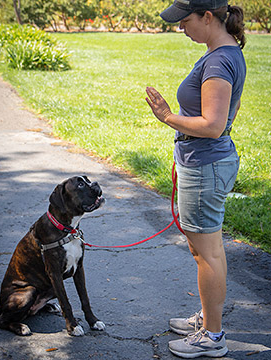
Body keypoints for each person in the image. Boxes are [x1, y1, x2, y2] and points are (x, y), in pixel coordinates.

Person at [145, 0, 246, 358]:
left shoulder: (219, 60)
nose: (181, 27)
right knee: (205, 250)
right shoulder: (220, 52)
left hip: (206, 166)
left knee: (208, 255)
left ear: (208, 16)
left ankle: (212, 336)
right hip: (201, 163)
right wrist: (180, 154)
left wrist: (167, 117)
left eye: (185, 20)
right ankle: (208, 316)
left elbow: (212, 125)